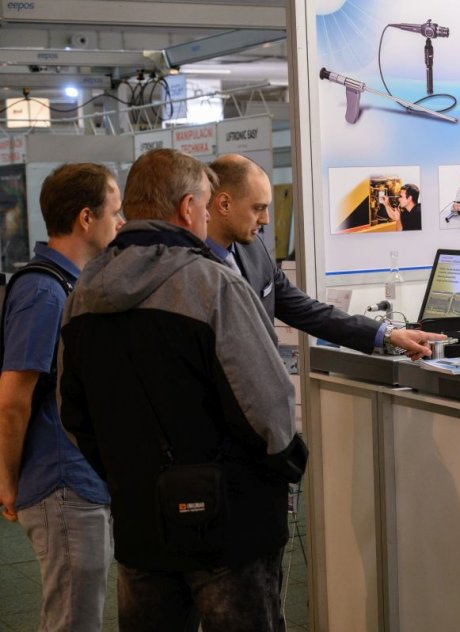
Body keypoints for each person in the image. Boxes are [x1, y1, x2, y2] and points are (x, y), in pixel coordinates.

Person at [58, 148, 302, 631]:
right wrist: (286, 463)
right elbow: (268, 405)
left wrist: (125, 473)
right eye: (206, 206)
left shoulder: (83, 294)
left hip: (140, 517)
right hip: (232, 523)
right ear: (188, 208)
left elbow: (72, 411)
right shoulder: (215, 286)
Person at [0, 163, 122, 631]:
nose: (121, 222)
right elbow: (13, 399)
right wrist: (7, 481)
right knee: (73, 621)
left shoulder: (70, 284)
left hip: (81, 481)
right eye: (115, 212)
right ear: (86, 218)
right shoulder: (44, 291)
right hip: (61, 485)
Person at [206, 154, 440, 358]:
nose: (266, 219)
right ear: (224, 204)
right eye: (257, 208)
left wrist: (389, 335)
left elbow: (306, 310)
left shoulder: (253, 249)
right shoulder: (192, 270)